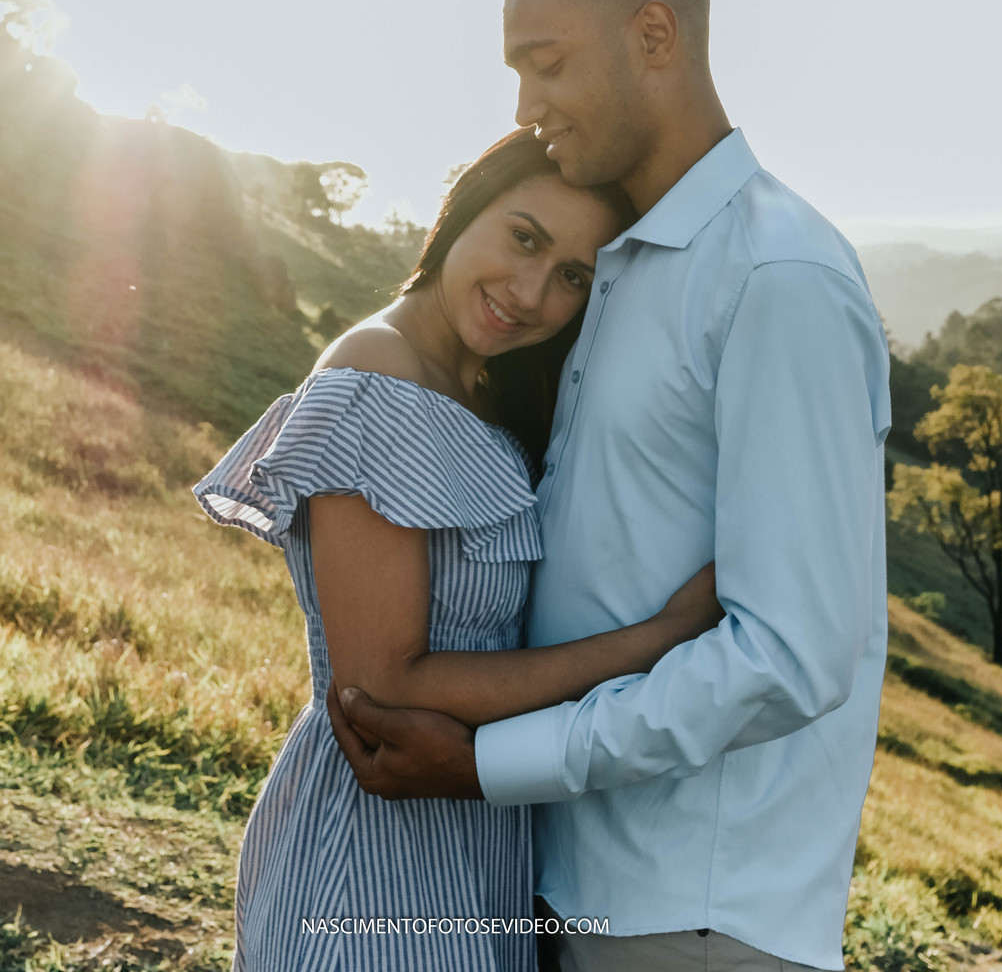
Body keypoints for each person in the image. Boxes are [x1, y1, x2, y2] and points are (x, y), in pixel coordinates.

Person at [328, 0, 891, 972]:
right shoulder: (616, 268)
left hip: (697, 914)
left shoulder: (778, 278)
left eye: (546, 66)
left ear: (654, 38)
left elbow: (787, 656)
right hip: (570, 883)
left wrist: (494, 764)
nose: (527, 108)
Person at [194, 126, 725, 971]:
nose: (529, 293)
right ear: (463, 208)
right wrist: (651, 643)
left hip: (475, 828)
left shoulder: (481, 385)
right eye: (523, 238)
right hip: (375, 837)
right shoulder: (378, 374)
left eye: (572, 278)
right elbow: (385, 683)